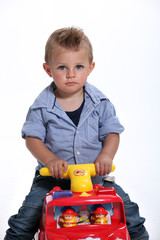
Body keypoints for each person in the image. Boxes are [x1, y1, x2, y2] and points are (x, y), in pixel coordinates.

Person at [5, 27, 149, 240]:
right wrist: (50, 159)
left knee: (128, 211)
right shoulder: (41, 107)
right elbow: (32, 138)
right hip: (53, 180)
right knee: (27, 216)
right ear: (48, 70)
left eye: (78, 66)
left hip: (95, 178)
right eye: (62, 67)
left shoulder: (101, 103)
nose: (71, 74)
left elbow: (111, 132)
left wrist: (106, 156)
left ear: (90, 67)